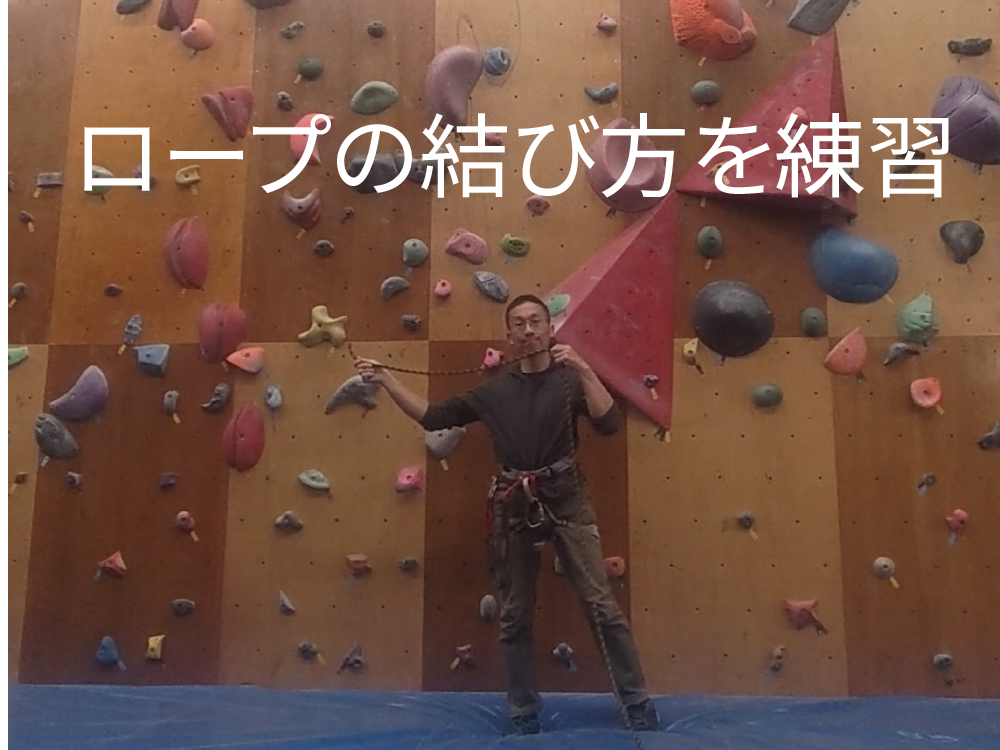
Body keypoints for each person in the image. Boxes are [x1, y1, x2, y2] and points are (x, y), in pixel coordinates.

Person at [353, 293, 660, 736]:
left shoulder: (570, 380)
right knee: (515, 614)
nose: (528, 329)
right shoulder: (495, 391)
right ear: (510, 335)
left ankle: (636, 702)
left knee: (600, 605)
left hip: (566, 496)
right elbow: (434, 417)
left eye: (536, 321)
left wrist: (584, 368)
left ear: (549, 329)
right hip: (514, 501)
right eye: (519, 323)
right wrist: (385, 379)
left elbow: (608, 423)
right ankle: (523, 711)